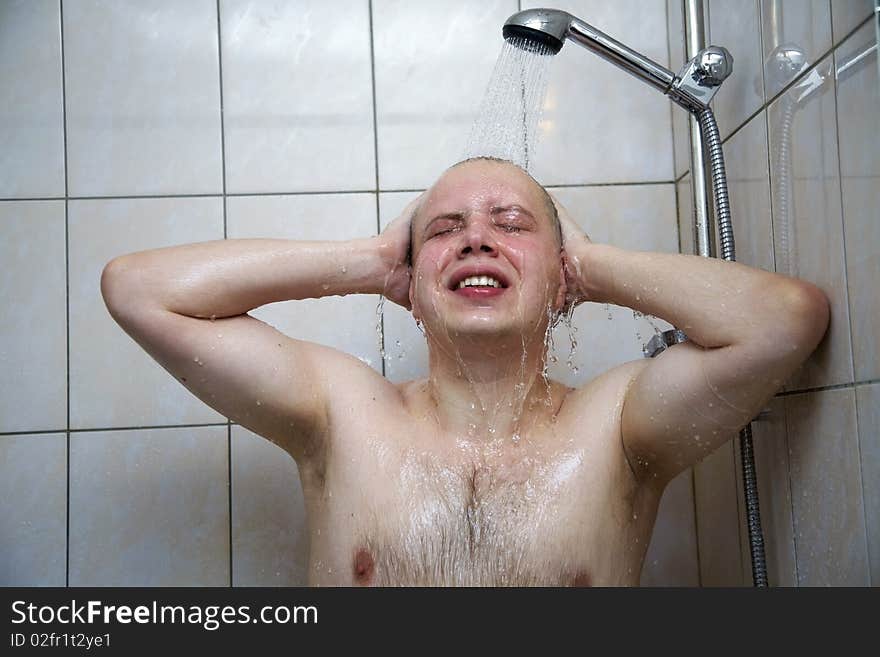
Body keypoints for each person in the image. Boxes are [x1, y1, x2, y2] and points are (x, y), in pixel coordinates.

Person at [100, 156, 829, 586]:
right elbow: (138, 290)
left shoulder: (619, 425)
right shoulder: (342, 413)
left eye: (512, 226)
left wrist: (594, 266)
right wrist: (370, 260)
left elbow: (787, 319)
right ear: (410, 284)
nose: (476, 238)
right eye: (444, 230)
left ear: (562, 278)